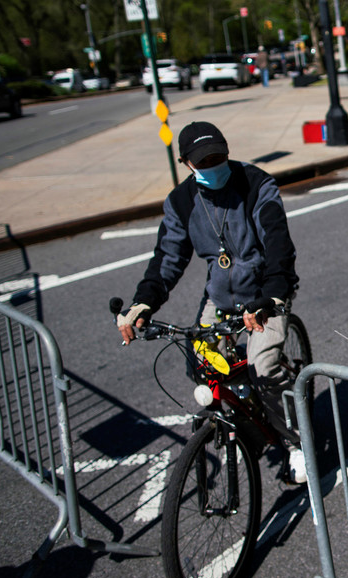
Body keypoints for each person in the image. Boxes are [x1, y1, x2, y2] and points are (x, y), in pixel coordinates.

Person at [116, 120, 305, 482]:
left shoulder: (256, 184)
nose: (212, 166)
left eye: (218, 157)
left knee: (264, 368)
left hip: (264, 295)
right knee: (200, 366)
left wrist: (272, 294)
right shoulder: (180, 201)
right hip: (219, 298)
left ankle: (298, 442)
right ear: (185, 163)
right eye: (202, 162)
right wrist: (143, 303)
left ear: (228, 152)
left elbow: (278, 242)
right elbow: (168, 258)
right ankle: (246, 420)